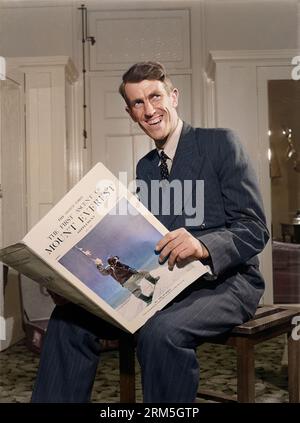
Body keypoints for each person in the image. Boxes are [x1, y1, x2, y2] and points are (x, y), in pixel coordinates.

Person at [31, 61, 269, 403]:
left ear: (173, 96)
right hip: (167, 283)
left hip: (228, 283)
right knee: (68, 319)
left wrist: (202, 245)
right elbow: (144, 243)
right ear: (130, 113)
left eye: (155, 96)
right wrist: (82, 280)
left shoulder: (221, 144)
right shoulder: (145, 167)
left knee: (161, 333)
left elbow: (254, 229)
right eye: (138, 103)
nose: (149, 110)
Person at [95, 256, 159, 303]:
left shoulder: (114, 265)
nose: (116, 260)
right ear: (112, 261)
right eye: (115, 260)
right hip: (130, 277)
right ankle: (153, 282)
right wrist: (99, 266)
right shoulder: (110, 268)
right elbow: (105, 272)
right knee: (144, 273)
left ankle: (147, 299)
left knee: (135, 290)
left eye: (116, 259)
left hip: (125, 282)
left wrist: (99, 266)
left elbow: (104, 273)